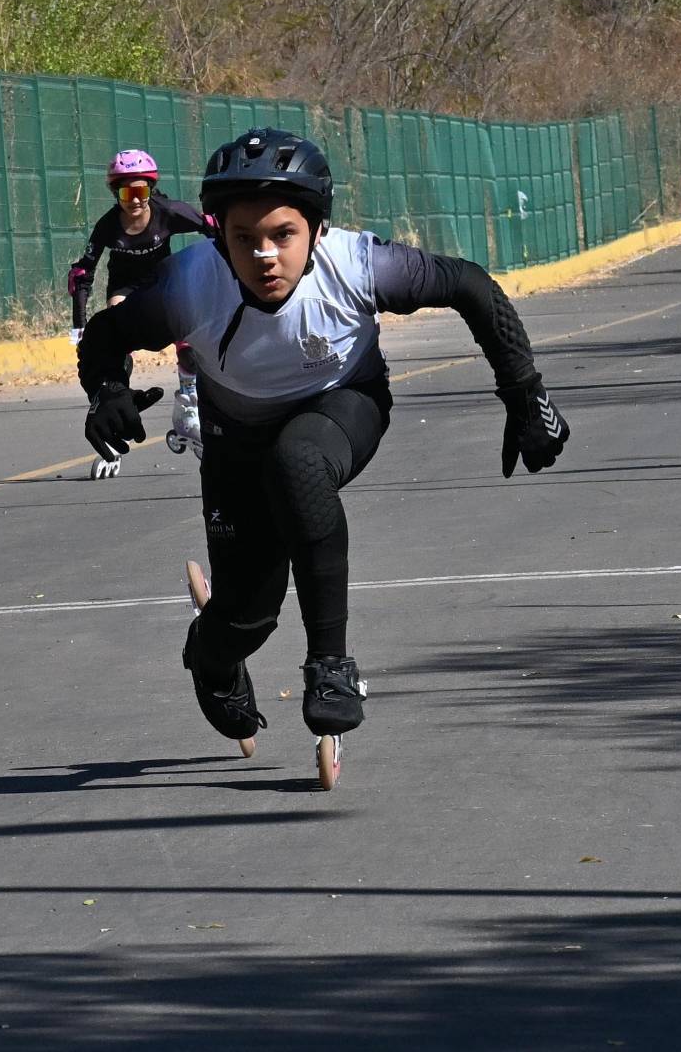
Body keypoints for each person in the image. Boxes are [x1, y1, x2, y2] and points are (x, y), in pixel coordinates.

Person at [75, 127, 572, 789]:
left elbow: (471, 285)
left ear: (316, 227)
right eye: (244, 236)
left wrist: (525, 396)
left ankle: (331, 665)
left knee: (300, 461)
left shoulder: (357, 263)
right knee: (248, 615)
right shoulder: (190, 282)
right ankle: (211, 653)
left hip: (343, 404)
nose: (263, 254)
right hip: (234, 437)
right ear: (219, 234)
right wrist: (105, 389)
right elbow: (107, 333)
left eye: (282, 233)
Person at [67, 150, 209, 477]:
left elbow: (213, 229)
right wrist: (80, 321)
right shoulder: (107, 225)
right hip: (126, 288)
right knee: (114, 325)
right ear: (115, 194)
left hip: (163, 283)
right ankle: (114, 411)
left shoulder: (169, 212)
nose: (134, 201)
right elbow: (82, 273)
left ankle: (189, 407)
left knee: (188, 327)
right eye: (125, 193)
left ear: (151, 190)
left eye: (141, 192)